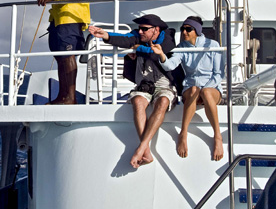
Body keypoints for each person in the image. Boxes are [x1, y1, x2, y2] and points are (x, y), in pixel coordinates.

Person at [88, 14, 178, 169]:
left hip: (164, 84)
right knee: (137, 101)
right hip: (145, 84)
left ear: (156, 30)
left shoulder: (168, 37)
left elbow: (155, 53)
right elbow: (125, 39)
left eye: (144, 29)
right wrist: (106, 35)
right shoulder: (138, 36)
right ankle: (146, 150)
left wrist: (137, 48)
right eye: (139, 28)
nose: (140, 32)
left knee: (163, 101)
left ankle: (141, 148)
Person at [151, 16, 225, 161]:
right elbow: (170, 65)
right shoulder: (181, 47)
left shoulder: (213, 44)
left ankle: (217, 135)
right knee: (193, 90)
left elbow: (218, 74)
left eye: (188, 29)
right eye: (182, 29)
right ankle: (183, 133)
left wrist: (205, 88)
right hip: (191, 88)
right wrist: (161, 54)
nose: (184, 32)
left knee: (205, 91)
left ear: (197, 30)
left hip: (211, 88)